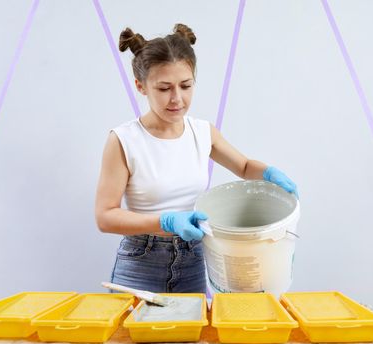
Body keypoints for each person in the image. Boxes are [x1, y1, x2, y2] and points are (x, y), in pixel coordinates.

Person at [95, 24, 298, 294]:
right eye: (164, 88)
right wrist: (165, 221)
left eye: (185, 86)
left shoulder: (202, 132)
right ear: (141, 86)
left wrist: (270, 173)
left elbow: (245, 166)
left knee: (193, 336)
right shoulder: (123, 140)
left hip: (194, 259)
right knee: (129, 335)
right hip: (141, 262)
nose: (177, 98)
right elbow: (105, 216)